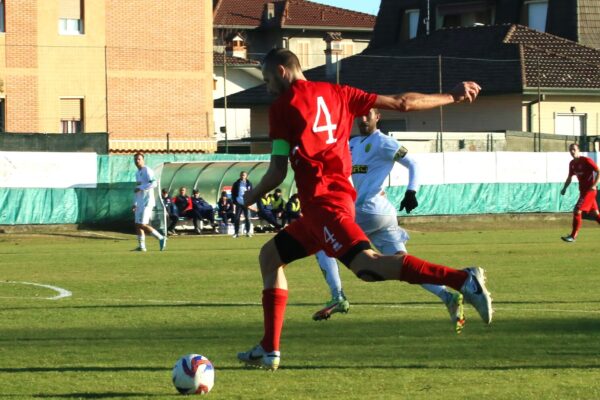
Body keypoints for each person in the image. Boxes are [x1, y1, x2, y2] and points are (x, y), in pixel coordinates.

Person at [236, 48, 492, 371]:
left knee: (367, 267)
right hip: (327, 207)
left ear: (284, 73)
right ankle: (269, 349)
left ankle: (462, 279)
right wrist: (452, 97)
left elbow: (276, 172)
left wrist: (248, 197)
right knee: (270, 257)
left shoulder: (282, 108)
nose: (269, 86)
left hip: (326, 206)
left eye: (269, 79)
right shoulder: (340, 93)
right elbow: (403, 103)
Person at [312, 108, 464, 335]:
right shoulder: (352, 144)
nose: (362, 119)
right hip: (380, 215)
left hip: (367, 210)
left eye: (367, 115)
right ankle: (448, 296)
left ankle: (338, 297)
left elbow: (414, 164)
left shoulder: (384, 142)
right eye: (359, 116)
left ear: (377, 117)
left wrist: (411, 192)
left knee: (322, 244)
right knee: (403, 264)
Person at [560, 143, 600, 242]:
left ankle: (573, 236)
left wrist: (594, 184)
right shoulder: (572, 164)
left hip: (590, 191)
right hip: (583, 192)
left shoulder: (586, 160)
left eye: (574, 149)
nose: (572, 152)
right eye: (570, 150)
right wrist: (564, 188)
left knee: (577, 211)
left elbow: (598, 171)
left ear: (578, 150)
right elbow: (570, 177)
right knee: (596, 214)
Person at [132, 153, 166, 251]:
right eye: (135, 159)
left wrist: (141, 187)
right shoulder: (137, 173)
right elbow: (137, 189)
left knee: (142, 224)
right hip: (140, 202)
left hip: (147, 202)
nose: (137, 161)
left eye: (139, 159)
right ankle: (142, 247)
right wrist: (135, 203)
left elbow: (154, 183)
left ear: (143, 160)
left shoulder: (147, 170)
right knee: (137, 224)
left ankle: (161, 237)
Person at [231, 171, 253, 238]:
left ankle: (248, 232)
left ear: (246, 176)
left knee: (247, 218)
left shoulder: (249, 184)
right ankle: (236, 233)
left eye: (244, 175)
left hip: (246, 203)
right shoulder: (236, 183)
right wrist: (235, 201)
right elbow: (233, 193)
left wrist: (250, 202)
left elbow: (251, 193)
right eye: (241, 175)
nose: (242, 176)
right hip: (239, 203)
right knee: (237, 218)